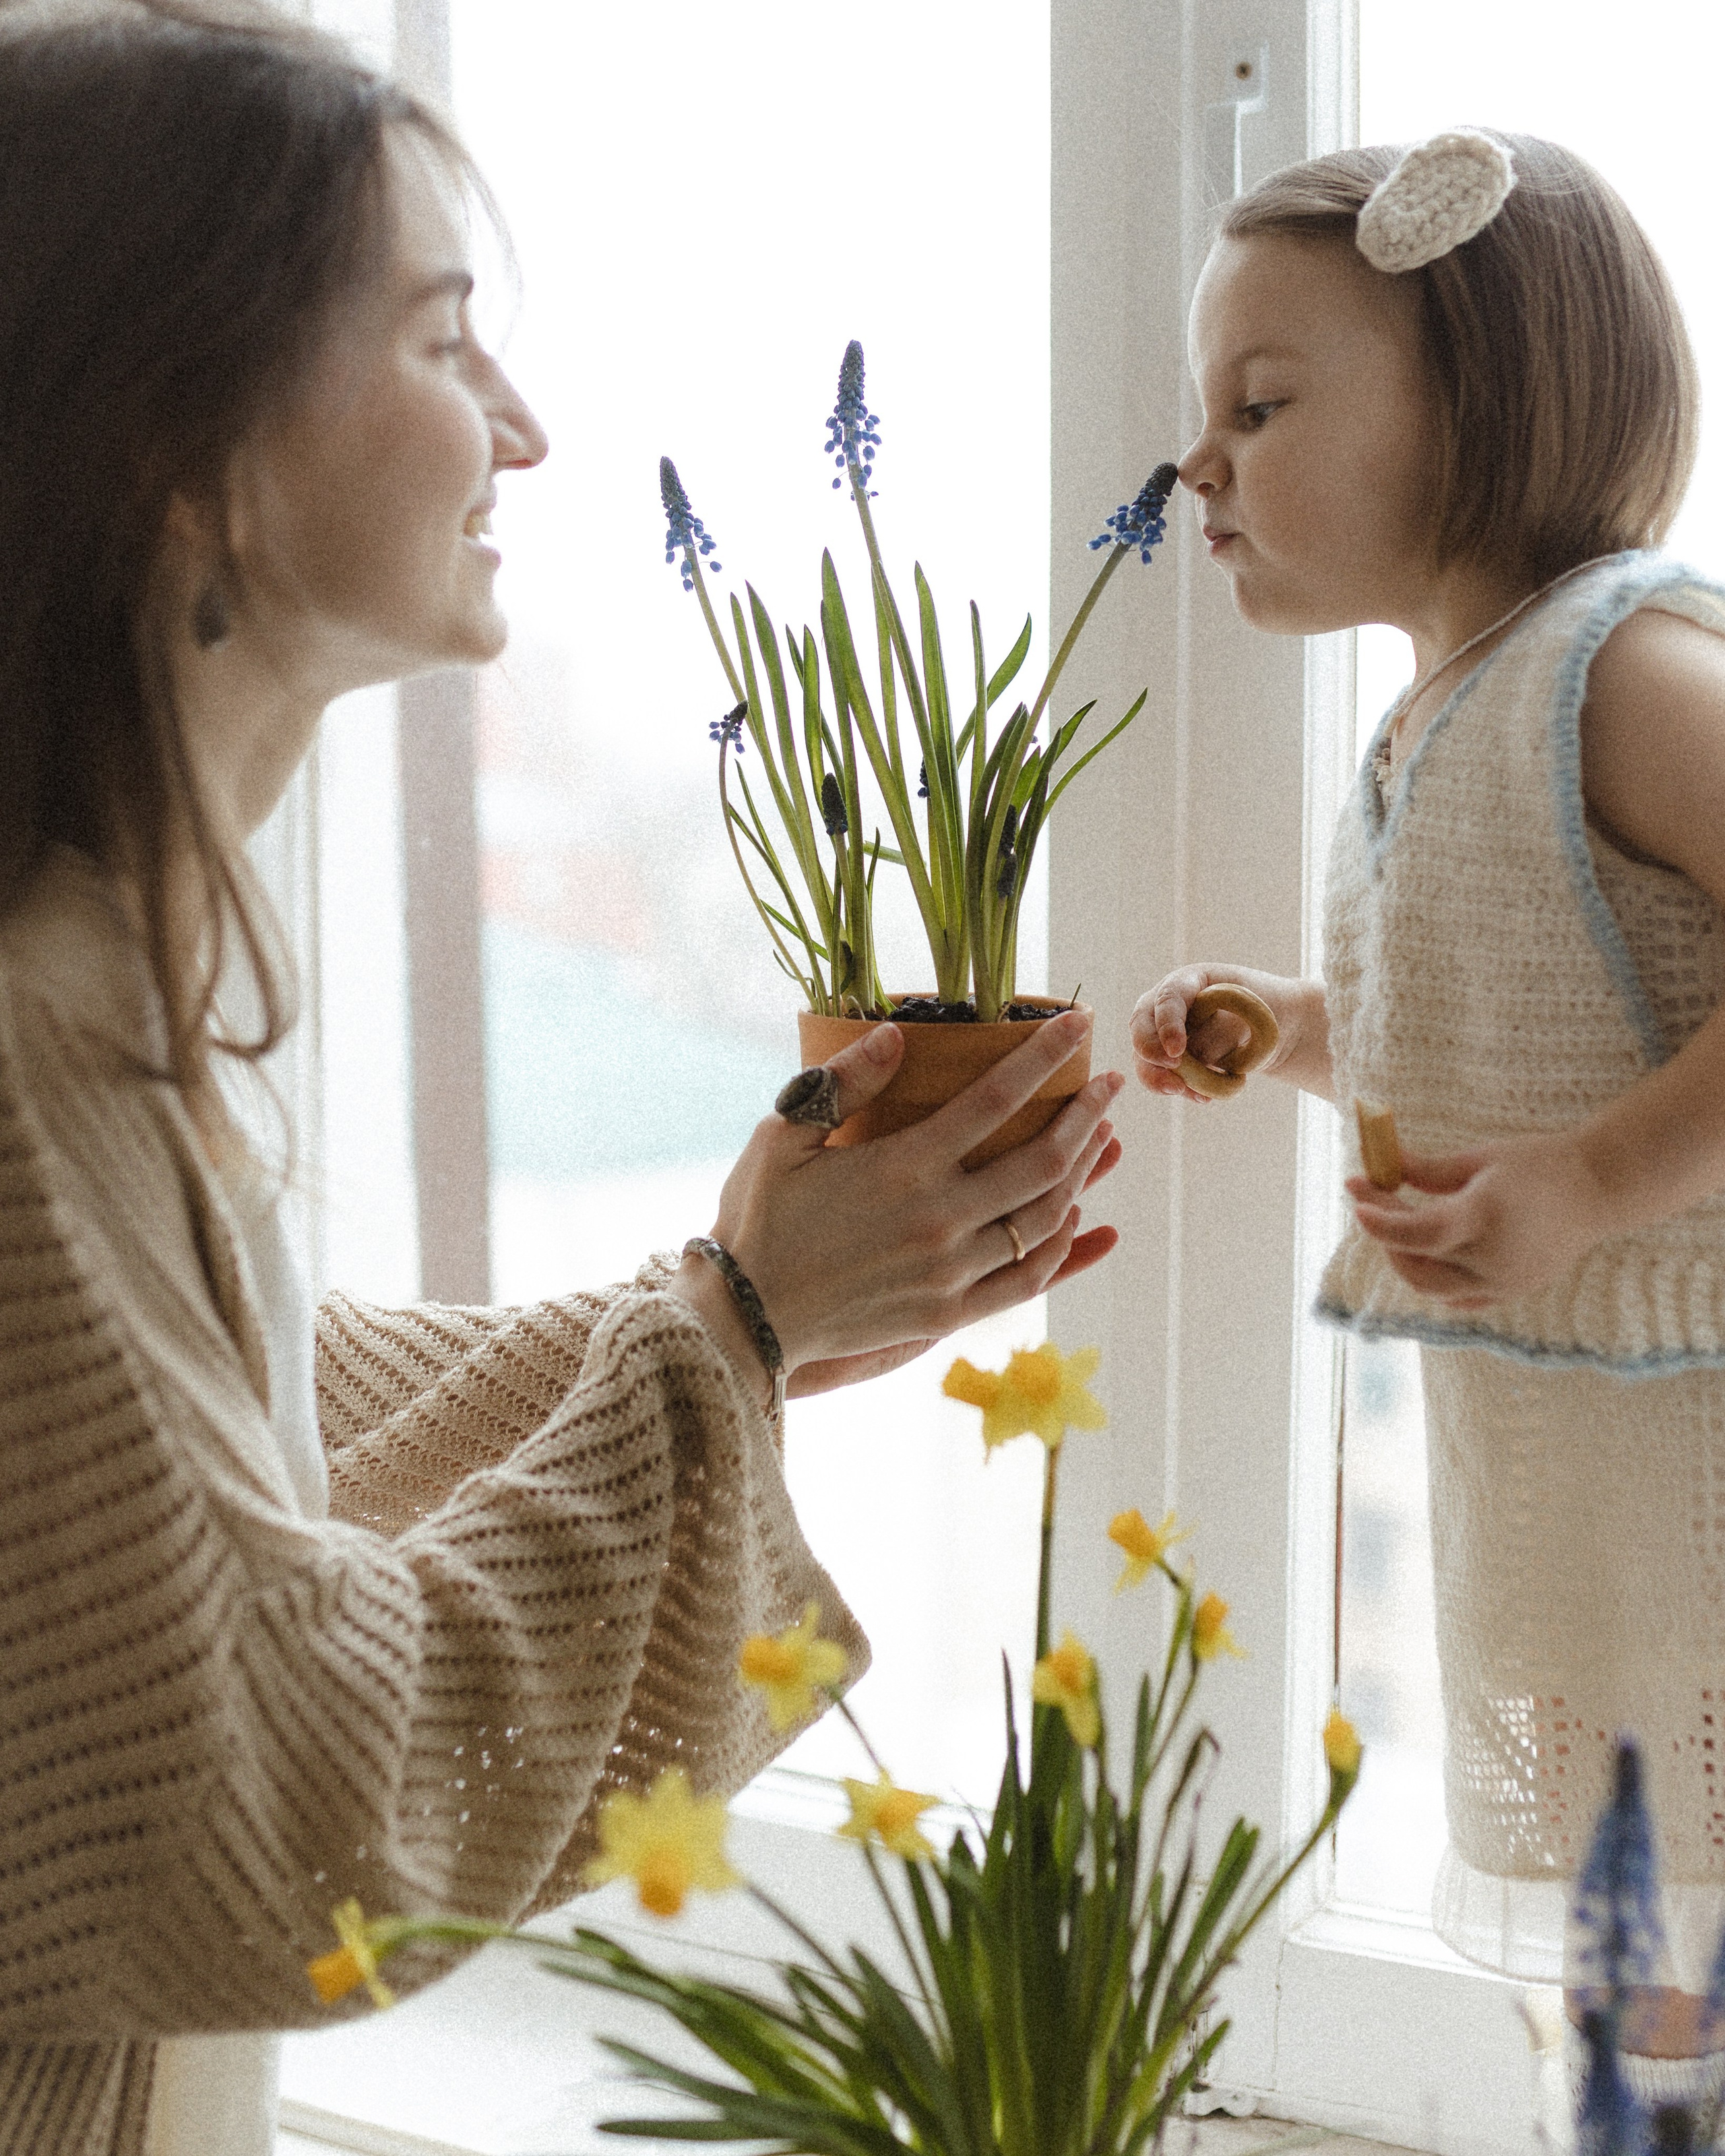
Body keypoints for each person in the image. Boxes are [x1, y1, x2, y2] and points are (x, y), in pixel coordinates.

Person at [0, 3, 1126, 2151]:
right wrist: (734, 1326)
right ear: (181, 444)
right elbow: (253, 1801)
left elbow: (226, 1476)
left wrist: (735, 1318)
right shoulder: (38, 1052)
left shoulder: (104, 992)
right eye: (442, 343)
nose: (520, 425)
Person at [1133, 129, 1725, 2116]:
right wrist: (1297, 1032)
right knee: (1618, 1952)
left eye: (1261, 404)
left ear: (1479, 404)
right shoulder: (1438, 720)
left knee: (1676, 1946)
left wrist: (1597, 1183)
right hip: (1563, 1463)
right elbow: (1492, 1012)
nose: (1196, 467)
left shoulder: (1622, 670)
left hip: (1695, 1427)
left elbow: (1572, 1111)